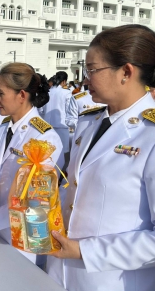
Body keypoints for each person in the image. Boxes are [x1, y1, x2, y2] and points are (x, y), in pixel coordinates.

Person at [46, 24, 155, 291]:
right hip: (59, 272)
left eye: (92, 70)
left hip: (110, 280)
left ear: (126, 72)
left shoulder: (150, 135)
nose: (85, 79)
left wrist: (85, 251)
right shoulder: (89, 121)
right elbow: (75, 189)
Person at [0, 63, 63, 267]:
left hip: (22, 237)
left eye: (1, 94)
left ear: (21, 95)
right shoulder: (5, 127)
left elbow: (36, 200)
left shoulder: (45, 138)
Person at [39, 71, 72, 169]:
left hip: (46, 127)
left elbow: (40, 110)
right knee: (62, 154)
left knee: (47, 154)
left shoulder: (47, 92)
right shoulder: (66, 93)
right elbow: (69, 110)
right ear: (64, 81)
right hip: (61, 126)